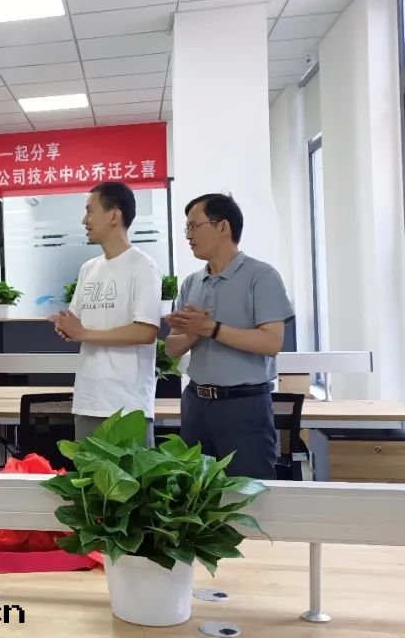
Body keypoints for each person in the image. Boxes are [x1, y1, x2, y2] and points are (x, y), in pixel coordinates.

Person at [165, 193, 294, 480]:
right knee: (193, 493)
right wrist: (192, 333)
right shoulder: (192, 282)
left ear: (223, 226)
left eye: (194, 226)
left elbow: (271, 342)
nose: (188, 236)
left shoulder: (261, 276)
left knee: (246, 492)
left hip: (244, 406)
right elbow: (171, 349)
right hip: (196, 403)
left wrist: (211, 328)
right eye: (187, 228)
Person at [49, 182, 162, 445]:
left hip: (127, 406)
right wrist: (67, 327)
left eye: (90, 210)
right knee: (85, 472)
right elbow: (78, 324)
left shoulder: (143, 267)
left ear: (114, 216)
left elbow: (145, 332)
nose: (84, 220)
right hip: (88, 400)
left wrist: (83, 333)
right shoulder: (88, 268)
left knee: (131, 473)